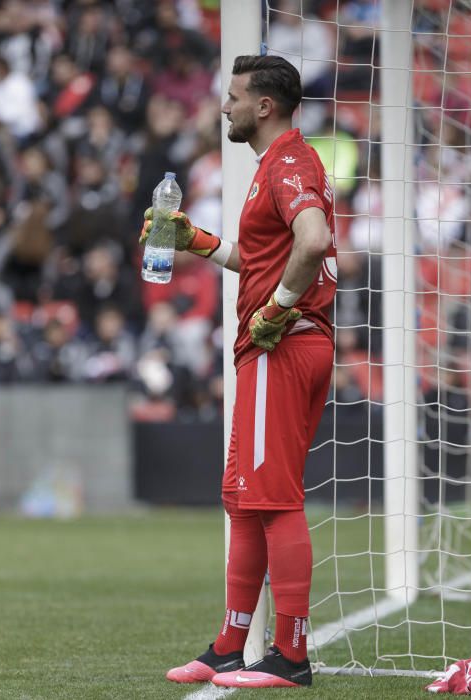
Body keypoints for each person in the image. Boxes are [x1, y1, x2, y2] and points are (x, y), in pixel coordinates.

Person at [143, 54, 336, 689]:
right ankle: (230, 645)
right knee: (243, 497)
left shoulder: (286, 164)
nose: (223, 107)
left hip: (281, 347)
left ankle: (291, 653)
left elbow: (312, 241)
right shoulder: (275, 166)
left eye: (232, 97)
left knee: (272, 498)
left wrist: (279, 311)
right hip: (277, 345)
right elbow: (264, 260)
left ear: (264, 106)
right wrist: (196, 241)